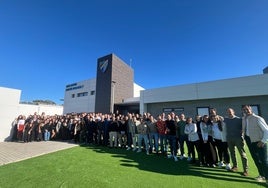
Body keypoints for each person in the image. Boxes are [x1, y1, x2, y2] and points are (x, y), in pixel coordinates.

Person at [242, 105, 268, 184]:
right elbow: (244, 130)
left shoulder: (258, 118)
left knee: (264, 160)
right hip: (249, 141)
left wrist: (263, 141)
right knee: (256, 159)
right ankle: (261, 175)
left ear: (250, 109)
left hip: (259, 142)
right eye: (244, 110)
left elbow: (266, 130)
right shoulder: (244, 119)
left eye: (247, 109)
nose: (246, 111)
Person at [224, 108, 249, 176]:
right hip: (229, 138)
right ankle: (235, 166)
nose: (230, 113)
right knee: (232, 153)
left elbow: (244, 127)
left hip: (238, 139)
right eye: (228, 112)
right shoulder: (226, 119)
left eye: (231, 111)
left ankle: (245, 170)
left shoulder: (239, 119)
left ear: (233, 112)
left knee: (242, 154)